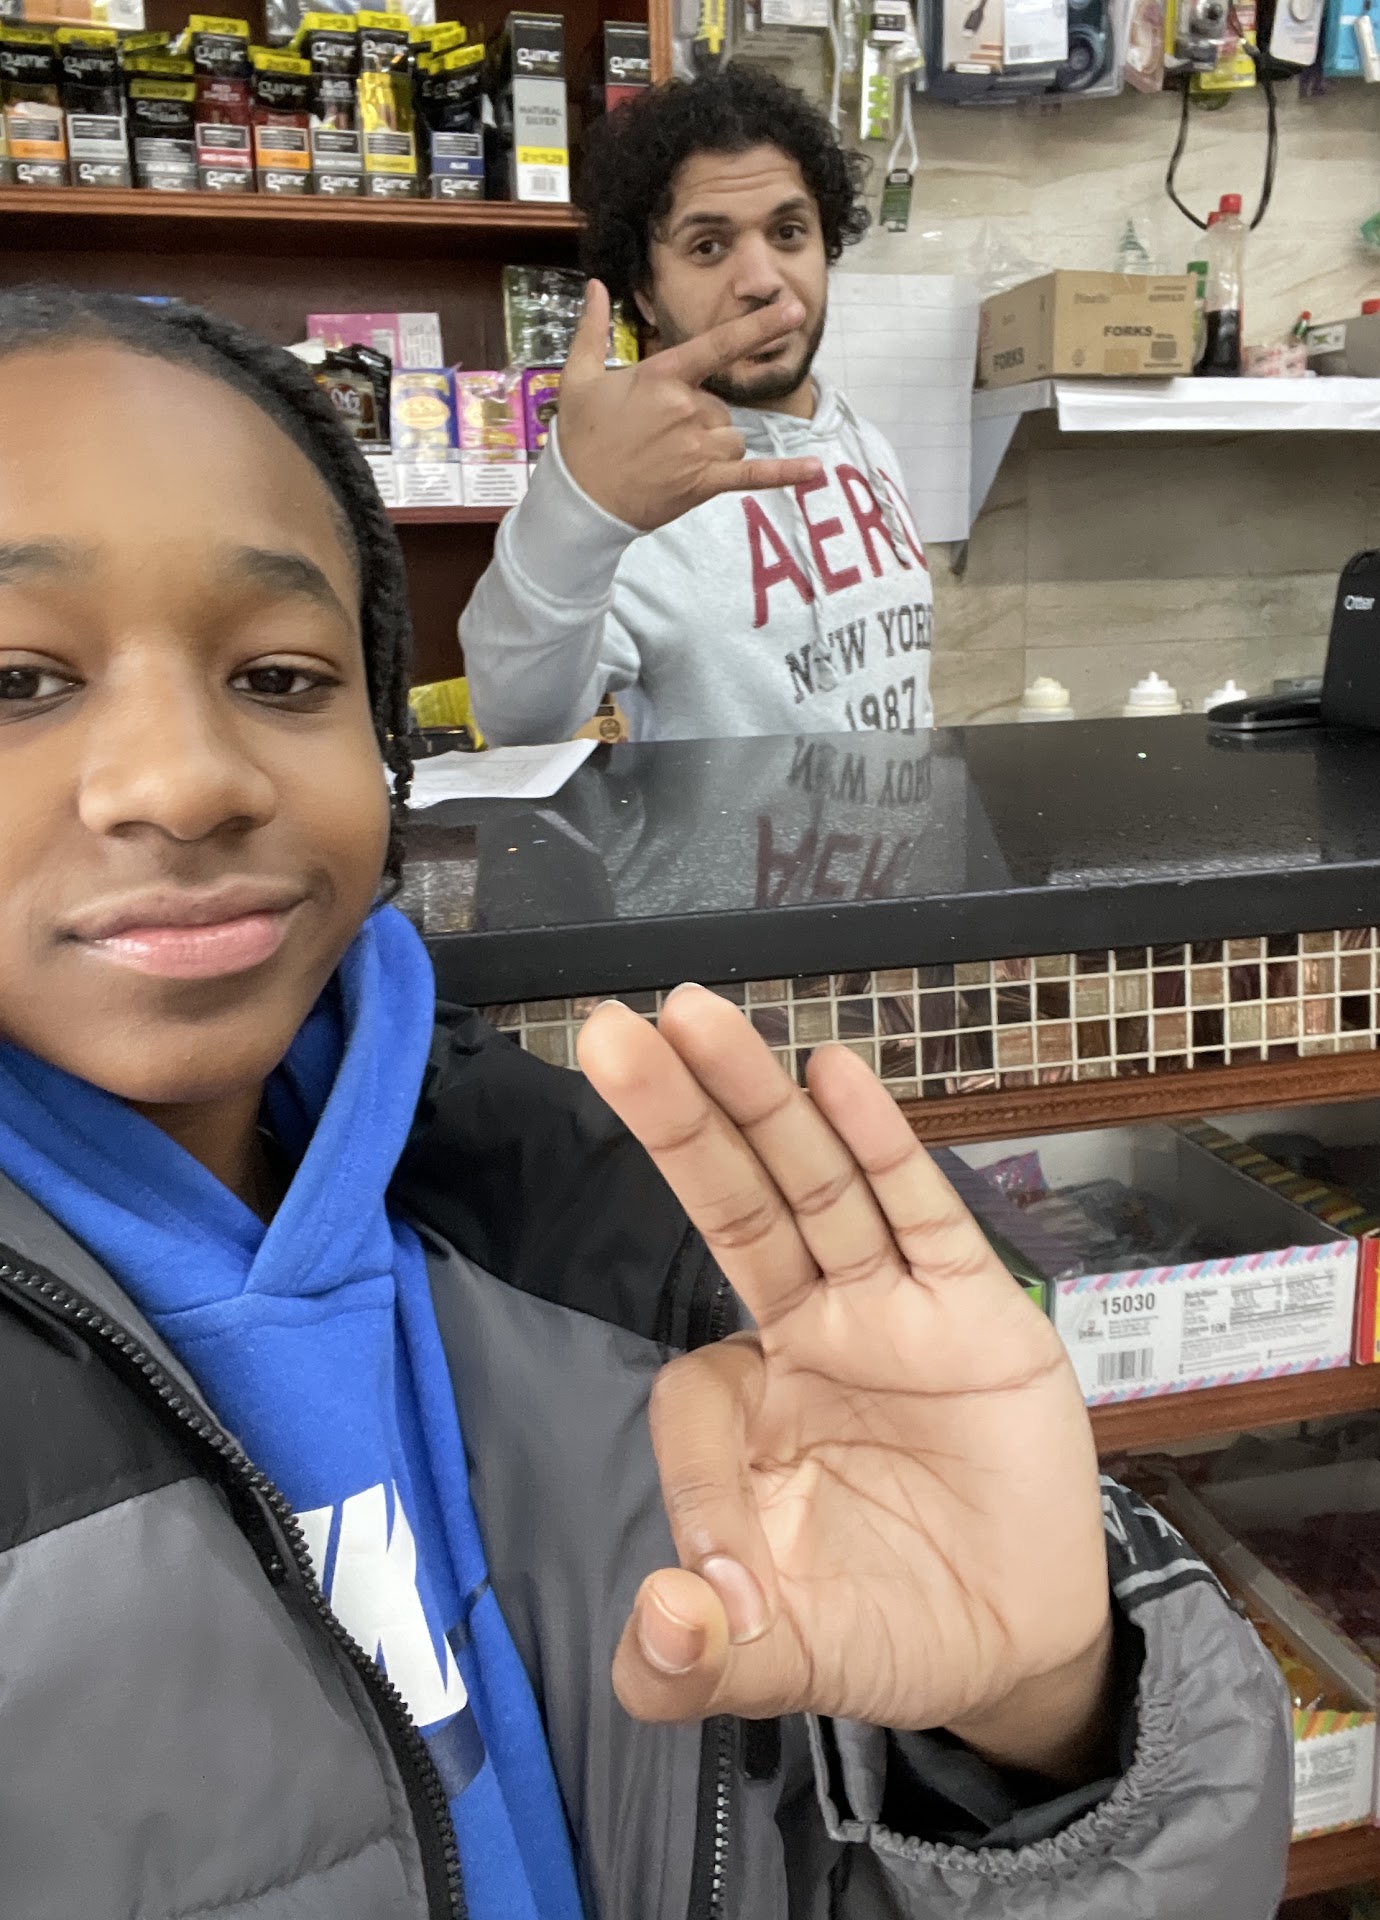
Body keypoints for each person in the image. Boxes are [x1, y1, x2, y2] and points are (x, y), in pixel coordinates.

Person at [0, 285, 1290, 1920]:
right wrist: (576, 515)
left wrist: (1043, 1721)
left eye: (278, 674)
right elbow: (532, 687)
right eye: (19, 680)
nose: (188, 778)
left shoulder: (619, 1259)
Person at [460, 66, 937, 746]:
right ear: (647, 296)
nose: (762, 281)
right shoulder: (634, 491)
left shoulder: (868, 444)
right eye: (708, 246)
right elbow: (517, 718)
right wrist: (573, 510)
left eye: (789, 233)